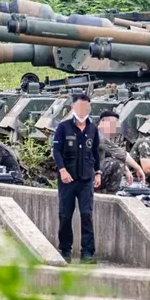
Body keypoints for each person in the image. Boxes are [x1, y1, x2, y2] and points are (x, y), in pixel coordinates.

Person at [51, 94, 101, 262]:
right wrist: (62, 170)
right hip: (68, 179)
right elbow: (56, 151)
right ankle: (65, 249)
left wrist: (98, 172)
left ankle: (88, 252)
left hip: (86, 178)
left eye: (85, 107)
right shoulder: (63, 127)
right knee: (65, 215)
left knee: (86, 215)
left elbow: (95, 152)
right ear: (73, 108)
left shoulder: (92, 129)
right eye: (79, 107)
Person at [96, 110, 145, 193]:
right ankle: (109, 193)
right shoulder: (98, 135)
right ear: (103, 121)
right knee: (118, 164)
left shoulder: (100, 135)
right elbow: (121, 153)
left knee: (119, 162)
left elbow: (112, 154)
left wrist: (126, 170)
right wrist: (138, 168)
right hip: (87, 173)